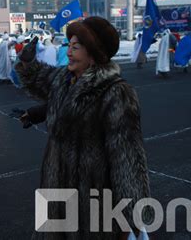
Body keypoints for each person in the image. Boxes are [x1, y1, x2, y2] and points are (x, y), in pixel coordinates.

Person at [15, 17, 151, 239]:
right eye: (69, 46)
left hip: (92, 202)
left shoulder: (116, 93)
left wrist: (131, 214)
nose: (68, 52)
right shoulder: (64, 78)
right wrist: (28, 61)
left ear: (94, 54)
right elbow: (41, 82)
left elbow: (127, 159)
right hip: (56, 190)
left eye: (75, 47)